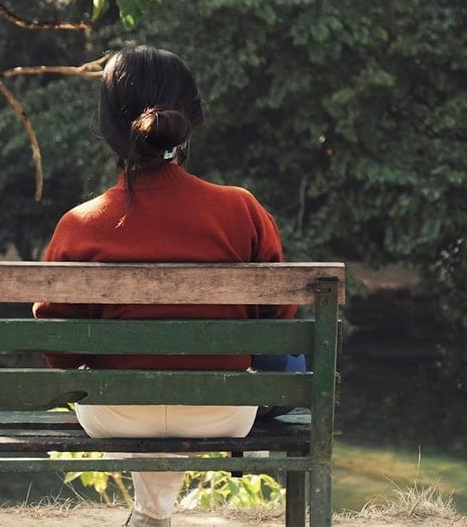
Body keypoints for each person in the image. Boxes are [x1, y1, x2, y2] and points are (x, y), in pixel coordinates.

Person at [31, 46, 297, 527]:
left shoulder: (79, 224)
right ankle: (152, 515)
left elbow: (60, 352)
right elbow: (279, 324)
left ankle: (151, 516)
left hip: (115, 413)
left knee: (138, 379)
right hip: (222, 411)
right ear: (189, 120)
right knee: (288, 366)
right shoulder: (241, 209)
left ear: (107, 126)